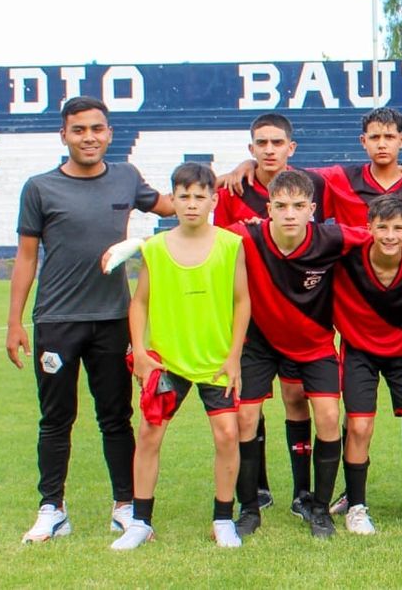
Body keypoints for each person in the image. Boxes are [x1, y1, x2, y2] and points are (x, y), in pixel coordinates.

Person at [223, 170, 402, 539]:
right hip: (259, 344)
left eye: (298, 206)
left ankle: (320, 508)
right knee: (244, 419)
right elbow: (200, 240)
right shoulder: (245, 236)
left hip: (315, 343)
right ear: (268, 209)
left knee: (327, 415)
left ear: (312, 209)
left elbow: (385, 232)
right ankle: (249, 509)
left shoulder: (332, 237)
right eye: (281, 206)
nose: (290, 214)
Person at [10, 96, 176, 543]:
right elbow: (26, 259)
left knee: (115, 417)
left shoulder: (125, 177)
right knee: (55, 419)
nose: (89, 137)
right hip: (57, 321)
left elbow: (170, 204)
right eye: (79, 130)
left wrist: (224, 180)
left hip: (112, 320)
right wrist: (14, 323)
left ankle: (124, 505)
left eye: (97, 129)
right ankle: (52, 508)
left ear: (109, 133)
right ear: (63, 135)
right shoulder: (39, 188)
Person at [107, 163, 249, 550]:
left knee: (226, 435)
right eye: (183, 196)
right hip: (167, 362)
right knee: (150, 434)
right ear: (173, 200)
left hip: (216, 362)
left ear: (213, 200)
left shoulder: (229, 244)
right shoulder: (154, 248)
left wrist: (234, 356)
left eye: (199, 196)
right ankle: (140, 521)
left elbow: (242, 301)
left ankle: (222, 519)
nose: (191, 204)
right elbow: (139, 303)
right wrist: (139, 350)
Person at [214, 112, 336, 515]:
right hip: (252, 320)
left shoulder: (312, 183)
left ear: (290, 148)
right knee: (250, 407)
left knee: (295, 396)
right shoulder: (235, 188)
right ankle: (258, 488)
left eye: (276, 143)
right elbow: (213, 243)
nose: (269, 150)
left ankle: (304, 493)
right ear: (251, 149)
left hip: (302, 319)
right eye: (260, 144)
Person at [333, 195, 402, 536]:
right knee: (359, 427)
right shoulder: (347, 252)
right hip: (359, 351)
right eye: (382, 227)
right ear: (369, 229)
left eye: (399, 228)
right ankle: (356, 506)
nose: (391, 236)